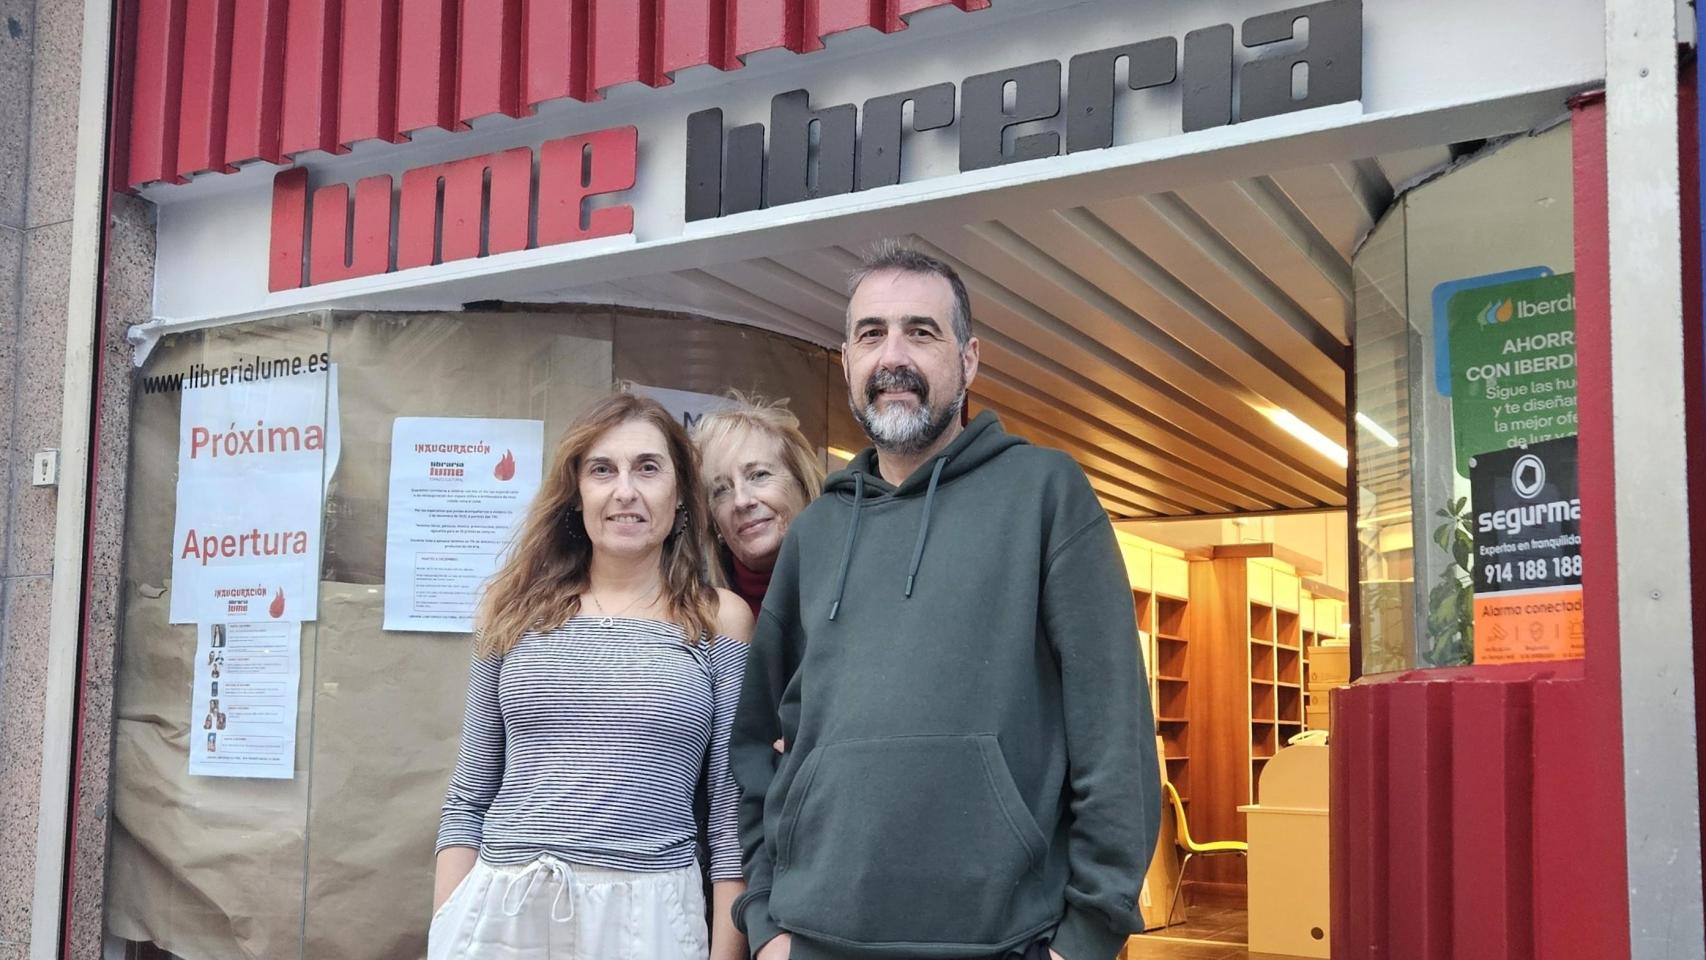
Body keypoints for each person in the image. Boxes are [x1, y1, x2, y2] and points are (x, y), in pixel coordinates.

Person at [729, 242, 1161, 960]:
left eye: (920, 332)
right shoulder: (817, 531)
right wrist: (767, 922)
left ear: (968, 360)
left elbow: (1113, 733)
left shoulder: (1045, 495)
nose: (892, 355)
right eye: (871, 334)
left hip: (1005, 941)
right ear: (846, 363)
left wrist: (1087, 938)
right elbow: (758, 743)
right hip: (814, 938)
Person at [432, 392, 755, 960]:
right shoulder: (511, 610)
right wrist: (447, 927)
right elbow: (469, 796)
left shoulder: (719, 618)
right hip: (503, 909)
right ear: (576, 492)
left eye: (648, 468)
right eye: (602, 470)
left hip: (649, 918)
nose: (624, 491)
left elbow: (730, 810)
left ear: (679, 494)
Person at [691, 393, 825, 618]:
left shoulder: (855, 581)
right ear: (714, 522)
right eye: (722, 490)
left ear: (803, 484)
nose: (742, 501)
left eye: (758, 475)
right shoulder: (699, 615)